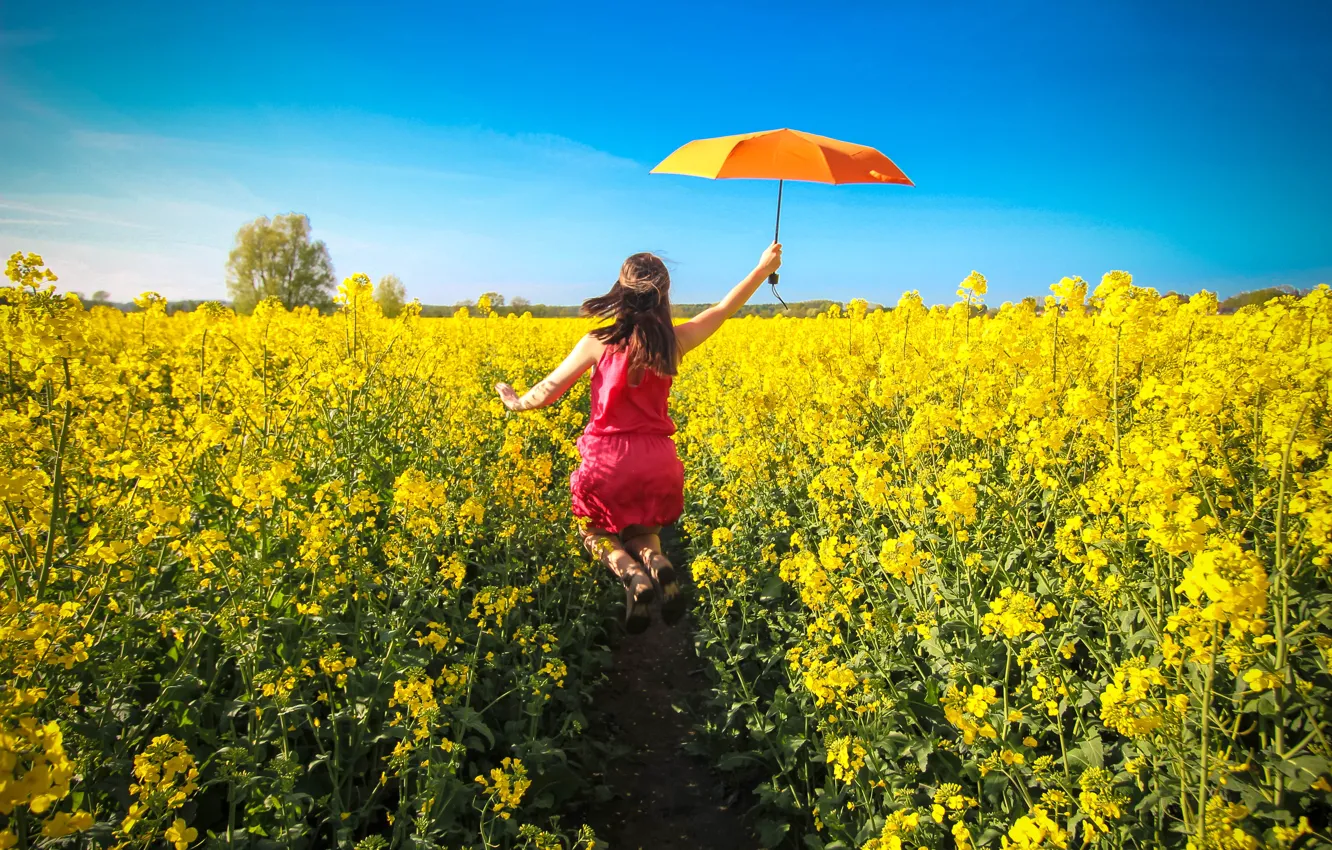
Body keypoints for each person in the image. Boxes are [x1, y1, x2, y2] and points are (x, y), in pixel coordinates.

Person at [495, 242, 783, 632]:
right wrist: (763, 269)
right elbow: (721, 310)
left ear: (621, 290)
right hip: (657, 459)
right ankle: (657, 563)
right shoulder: (672, 341)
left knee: (593, 530)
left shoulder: (597, 342)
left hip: (607, 458)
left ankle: (632, 574)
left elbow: (547, 392)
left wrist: (515, 402)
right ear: (663, 294)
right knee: (643, 531)